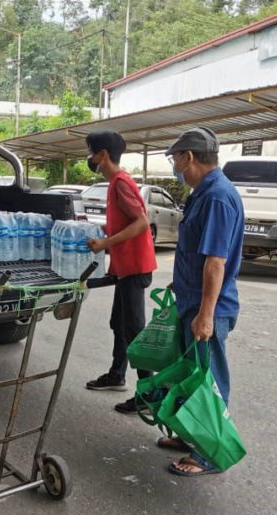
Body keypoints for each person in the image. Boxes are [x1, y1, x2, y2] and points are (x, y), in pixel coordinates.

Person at [159, 127, 244, 477]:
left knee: (209, 382)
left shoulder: (217, 197)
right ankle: (191, 435)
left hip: (208, 308)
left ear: (189, 157)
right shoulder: (202, 194)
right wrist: (181, 281)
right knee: (192, 377)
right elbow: (196, 252)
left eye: (176, 158)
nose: (175, 165)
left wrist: (206, 315)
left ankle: (210, 453)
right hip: (192, 300)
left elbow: (216, 261)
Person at [84, 130, 158, 414]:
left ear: (103, 155)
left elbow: (141, 222)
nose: (90, 159)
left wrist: (105, 243)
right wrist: (99, 229)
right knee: (120, 324)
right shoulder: (116, 183)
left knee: (135, 330)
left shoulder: (121, 183)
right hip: (125, 268)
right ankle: (117, 375)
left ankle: (148, 394)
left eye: (91, 153)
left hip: (135, 267)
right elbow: (124, 223)